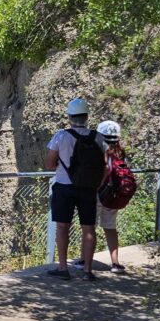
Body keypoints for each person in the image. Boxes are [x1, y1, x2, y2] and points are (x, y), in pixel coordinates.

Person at [45, 98, 108, 280]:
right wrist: (97, 183)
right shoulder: (98, 137)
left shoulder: (61, 136)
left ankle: (63, 268)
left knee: (62, 227)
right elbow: (106, 166)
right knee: (89, 229)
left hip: (64, 188)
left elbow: (49, 163)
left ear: (70, 117)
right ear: (87, 117)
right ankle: (88, 271)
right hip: (88, 188)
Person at [73, 120, 131, 273]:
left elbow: (101, 171)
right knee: (110, 228)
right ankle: (116, 263)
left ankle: (84, 260)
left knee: (89, 228)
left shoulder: (99, 149)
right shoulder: (121, 153)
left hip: (98, 194)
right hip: (113, 196)